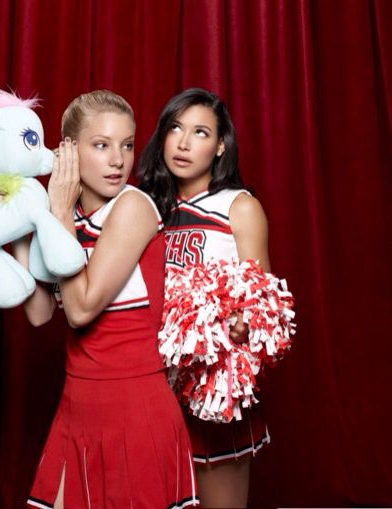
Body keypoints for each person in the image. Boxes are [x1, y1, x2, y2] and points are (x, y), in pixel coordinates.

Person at [16, 90, 198, 509]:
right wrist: (21, 229)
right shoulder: (64, 216)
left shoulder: (133, 207)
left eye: (127, 145)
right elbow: (41, 313)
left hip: (134, 408)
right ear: (67, 151)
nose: (118, 160)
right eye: (102, 145)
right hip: (77, 404)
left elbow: (80, 310)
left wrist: (56, 214)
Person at [138, 87, 271, 508]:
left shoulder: (239, 206)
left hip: (212, 392)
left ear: (220, 147)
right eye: (175, 128)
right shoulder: (144, 208)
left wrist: (238, 324)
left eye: (199, 132)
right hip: (149, 385)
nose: (182, 142)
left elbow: (265, 304)